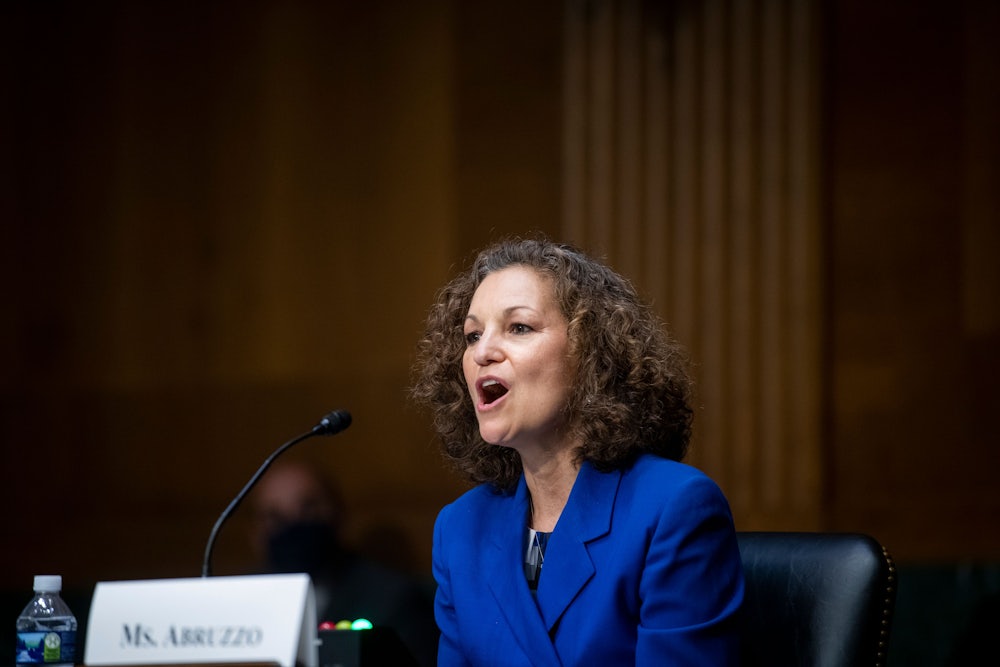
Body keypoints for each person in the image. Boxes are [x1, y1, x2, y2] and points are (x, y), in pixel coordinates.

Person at [411, 237, 744, 665]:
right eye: (472, 335)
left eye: (519, 327)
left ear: (591, 352)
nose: (482, 352)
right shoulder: (460, 529)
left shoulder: (671, 508)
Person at [248, 461, 438, 667]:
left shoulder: (392, 598)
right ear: (255, 533)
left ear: (338, 512)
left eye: (308, 509)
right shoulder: (247, 605)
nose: (294, 524)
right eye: (275, 517)